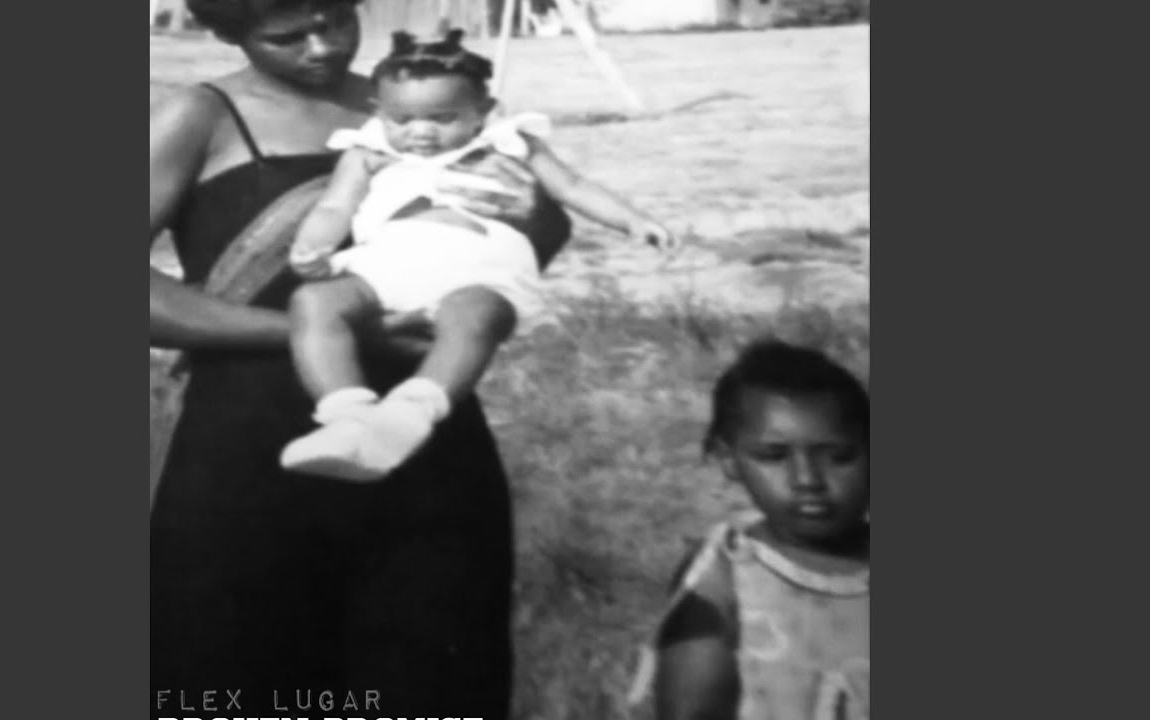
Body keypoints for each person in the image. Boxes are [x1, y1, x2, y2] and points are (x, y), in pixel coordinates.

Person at [148, 1, 571, 717]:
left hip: (422, 429)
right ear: (226, 32)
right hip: (252, 448)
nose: (321, 47)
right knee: (244, 670)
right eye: (287, 36)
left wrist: (536, 216)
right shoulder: (203, 116)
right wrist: (297, 330)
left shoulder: (416, 104)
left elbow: (522, 245)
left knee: (430, 670)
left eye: (336, 22)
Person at [279, 29, 677, 481]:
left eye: (443, 118)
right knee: (313, 301)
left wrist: (632, 220)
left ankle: (412, 411)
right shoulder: (369, 150)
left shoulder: (508, 140)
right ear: (379, 111)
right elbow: (335, 206)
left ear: (483, 111)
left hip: (479, 267)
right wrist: (312, 245)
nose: (421, 131)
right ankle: (346, 415)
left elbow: (572, 187)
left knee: (474, 317)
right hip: (387, 264)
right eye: (402, 119)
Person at [629, 340, 870, 720]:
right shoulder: (727, 580)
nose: (807, 480)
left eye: (839, 457)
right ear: (729, 460)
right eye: (774, 457)